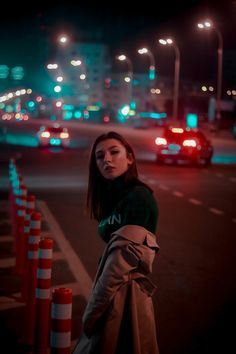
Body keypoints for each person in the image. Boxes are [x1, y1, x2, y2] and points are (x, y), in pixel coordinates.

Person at [73, 131, 160, 354]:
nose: (107, 160)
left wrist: (91, 313)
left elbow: (120, 264)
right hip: (111, 289)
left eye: (114, 152)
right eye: (100, 156)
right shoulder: (111, 196)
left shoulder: (138, 197)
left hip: (126, 294)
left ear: (129, 158)